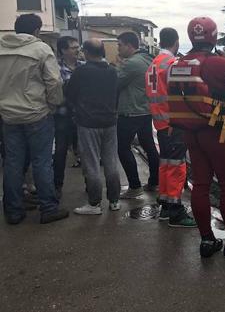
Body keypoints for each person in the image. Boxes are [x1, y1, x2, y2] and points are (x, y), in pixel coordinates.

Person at [167, 16, 225, 261]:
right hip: (217, 132)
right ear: (214, 36)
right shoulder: (217, 63)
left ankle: (207, 239)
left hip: (191, 133)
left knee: (201, 184)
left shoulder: (180, 63)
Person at [0, 14, 68, 225]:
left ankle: (13, 211)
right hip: (37, 113)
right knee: (41, 162)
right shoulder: (41, 49)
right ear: (37, 30)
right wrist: (53, 104)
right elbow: (54, 82)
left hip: (8, 115)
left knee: (12, 162)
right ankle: (48, 208)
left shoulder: (2, 50)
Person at [145, 28, 196, 228]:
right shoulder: (172, 64)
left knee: (166, 163)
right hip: (174, 121)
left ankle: (166, 205)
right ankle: (175, 211)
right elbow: (186, 91)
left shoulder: (153, 64)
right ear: (176, 42)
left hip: (160, 121)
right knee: (176, 165)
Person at [66, 39, 121, 214]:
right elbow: (117, 94)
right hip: (110, 122)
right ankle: (114, 201)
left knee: (91, 163)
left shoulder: (81, 72)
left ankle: (94, 203)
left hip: (88, 123)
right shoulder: (113, 71)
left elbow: (69, 94)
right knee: (111, 162)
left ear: (87, 52)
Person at [116, 32, 160, 199]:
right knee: (148, 145)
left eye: (120, 45)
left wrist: (119, 65)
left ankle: (134, 186)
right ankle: (155, 182)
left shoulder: (132, 63)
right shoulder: (149, 59)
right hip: (146, 109)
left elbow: (117, 83)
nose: (118, 48)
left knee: (122, 147)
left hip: (130, 111)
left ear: (129, 45)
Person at [53, 36, 84, 198]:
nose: (78, 50)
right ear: (63, 50)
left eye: (78, 47)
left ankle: (90, 184)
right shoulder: (55, 69)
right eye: (73, 47)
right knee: (60, 151)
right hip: (62, 116)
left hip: (82, 116)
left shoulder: (84, 67)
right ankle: (57, 186)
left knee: (85, 151)